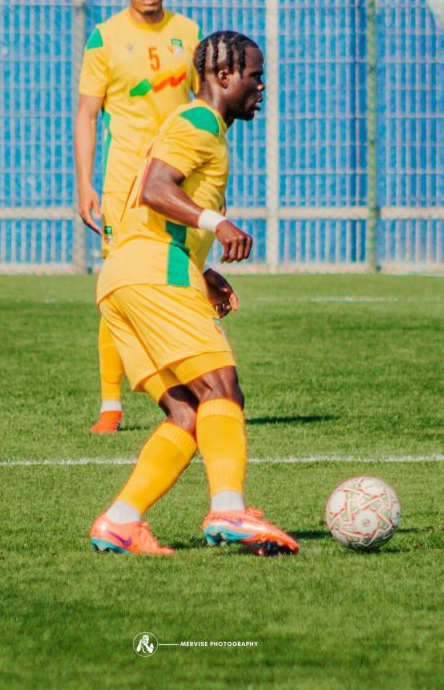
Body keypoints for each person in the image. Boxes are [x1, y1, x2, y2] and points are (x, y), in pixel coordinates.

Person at [89, 31, 299, 557]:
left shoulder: (196, 125)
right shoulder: (200, 121)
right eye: (254, 76)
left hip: (124, 276)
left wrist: (203, 271)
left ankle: (120, 520)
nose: (261, 86)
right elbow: (155, 189)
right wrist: (218, 223)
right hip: (155, 273)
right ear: (224, 76)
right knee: (222, 388)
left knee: (186, 410)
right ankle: (228, 508)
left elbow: (153, 208)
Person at [74, 0, 201, 434]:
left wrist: (211, 180)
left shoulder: (189, 33)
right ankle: (111, 404)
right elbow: (88, 114)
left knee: (185, 283)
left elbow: (204, 106)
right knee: (119, 286)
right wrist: (85, 184)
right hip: (124, 183)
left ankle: (193, 388)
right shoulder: (105, 38)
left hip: (178, 178)